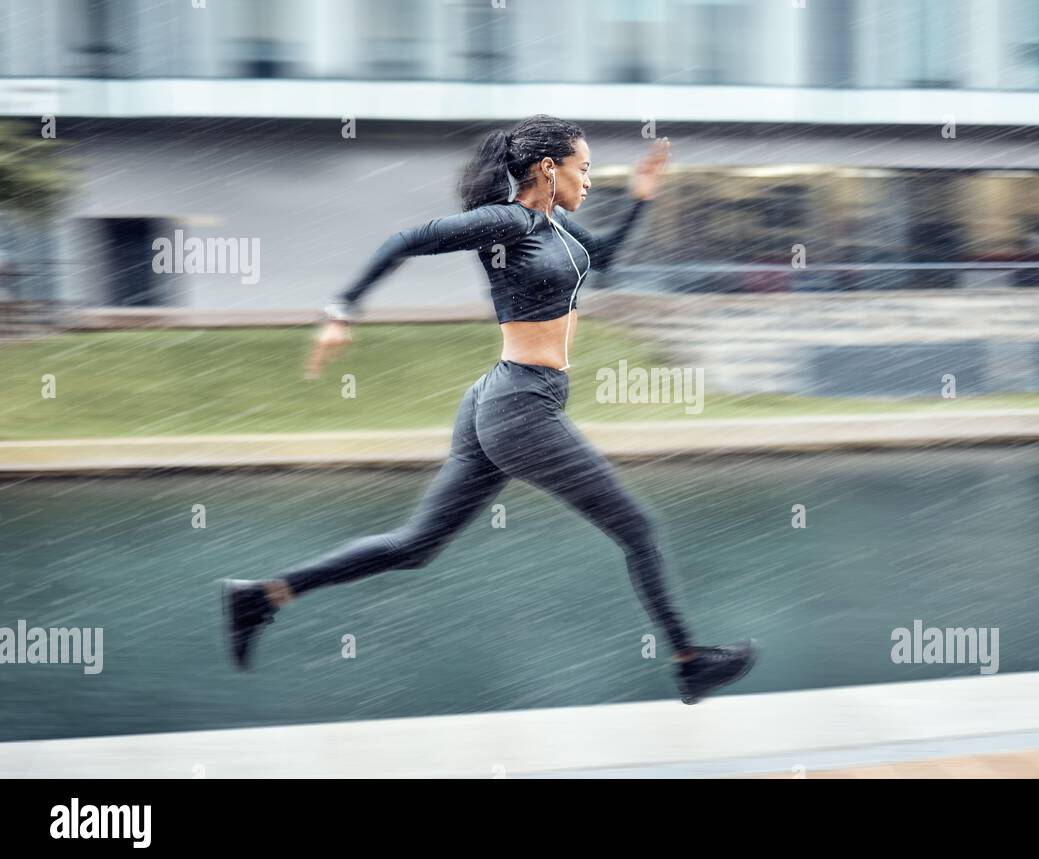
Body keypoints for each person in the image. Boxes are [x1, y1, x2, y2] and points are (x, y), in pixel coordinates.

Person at [221, 114, 756, 705]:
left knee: (415, 547)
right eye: (584, 169)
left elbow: (604, 258)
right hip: (521, 406)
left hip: (500, 400)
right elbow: (404, 241)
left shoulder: (560, 232)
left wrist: (642, 197)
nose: (589, 180)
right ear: (548, 169)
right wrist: (341, 310)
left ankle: (263, 596)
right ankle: (689, 661)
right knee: (639, 531)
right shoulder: (509, 221)